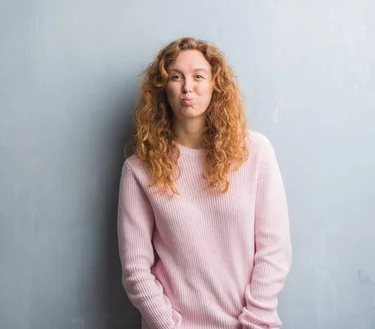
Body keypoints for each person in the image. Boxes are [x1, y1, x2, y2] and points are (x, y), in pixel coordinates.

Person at [117, 37, 292, 329]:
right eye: (176, 77)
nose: (188, 87)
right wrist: (169, 326)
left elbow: (274, 249)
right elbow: (135, 269)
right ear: (163, 88)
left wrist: (255, 322)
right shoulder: (139, 169)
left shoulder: (256, 152)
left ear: (215, 84)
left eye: (199, 76)